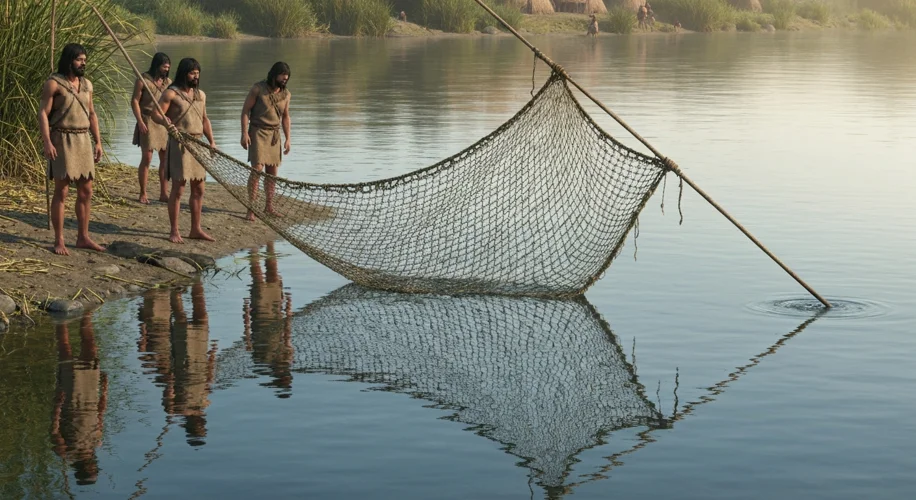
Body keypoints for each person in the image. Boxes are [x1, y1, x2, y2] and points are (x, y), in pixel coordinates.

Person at [37, 43, 106, 256]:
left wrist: (98, 141)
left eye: (85, 60)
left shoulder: (87, 85)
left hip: (83, 139)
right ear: (69, 61)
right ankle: (59, 240)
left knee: (86, 190)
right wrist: (47, 142)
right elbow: (43, 114)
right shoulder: (54, 83)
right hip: (62, 139)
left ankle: (83, 237)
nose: (83, 63)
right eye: (79, 60)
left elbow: (92, 113)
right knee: (63, 190)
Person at [153, 57, 217, 243]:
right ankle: (174, 231)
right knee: (178, 189)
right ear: (184, 74)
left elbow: (205, 119)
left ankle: (195, 229)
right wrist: (166, 123)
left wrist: (212, 141)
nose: (196, 77)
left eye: (197, 73)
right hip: (180, 144)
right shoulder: (171, 94)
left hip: (198, 144)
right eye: (192, 73)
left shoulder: (201, 95)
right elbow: (156, 114)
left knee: (199, 189)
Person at [50, 311, 109, 486]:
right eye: (94, 469)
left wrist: (58, 404)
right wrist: (105, 390)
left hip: (70, 400)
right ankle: (86, 316)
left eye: (90, 470)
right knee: (91, 348)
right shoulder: (96, 443)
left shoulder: (64, 452)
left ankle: (60, 319)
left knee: (65, 350)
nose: (92, 467)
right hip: (91, 394)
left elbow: (54, 428)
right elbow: (100, 415)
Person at [240, 62, 291, 222]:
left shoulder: (286, 94)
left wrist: (288, 138)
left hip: (274, 135)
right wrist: (244, 133)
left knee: (272, 172)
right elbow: (245, 111)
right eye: (282, 75)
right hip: (258, 132)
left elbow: (285, 117)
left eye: (287, 76)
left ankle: (269, 206)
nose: (285, 78)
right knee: (257, 170)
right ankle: (251, 208)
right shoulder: (258, 89)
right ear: (274, 74)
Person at [131, 52, 172, 204]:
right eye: (163, 67)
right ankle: (143, 193)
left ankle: (163, 193)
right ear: (157, 65)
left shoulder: (168, 83)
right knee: (147, 158)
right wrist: (140, 121)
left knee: (165, 158)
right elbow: (135, 101)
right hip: (147, 119)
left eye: (168, 67)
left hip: (162, 122)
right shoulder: (143, 80)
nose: (166, 70)